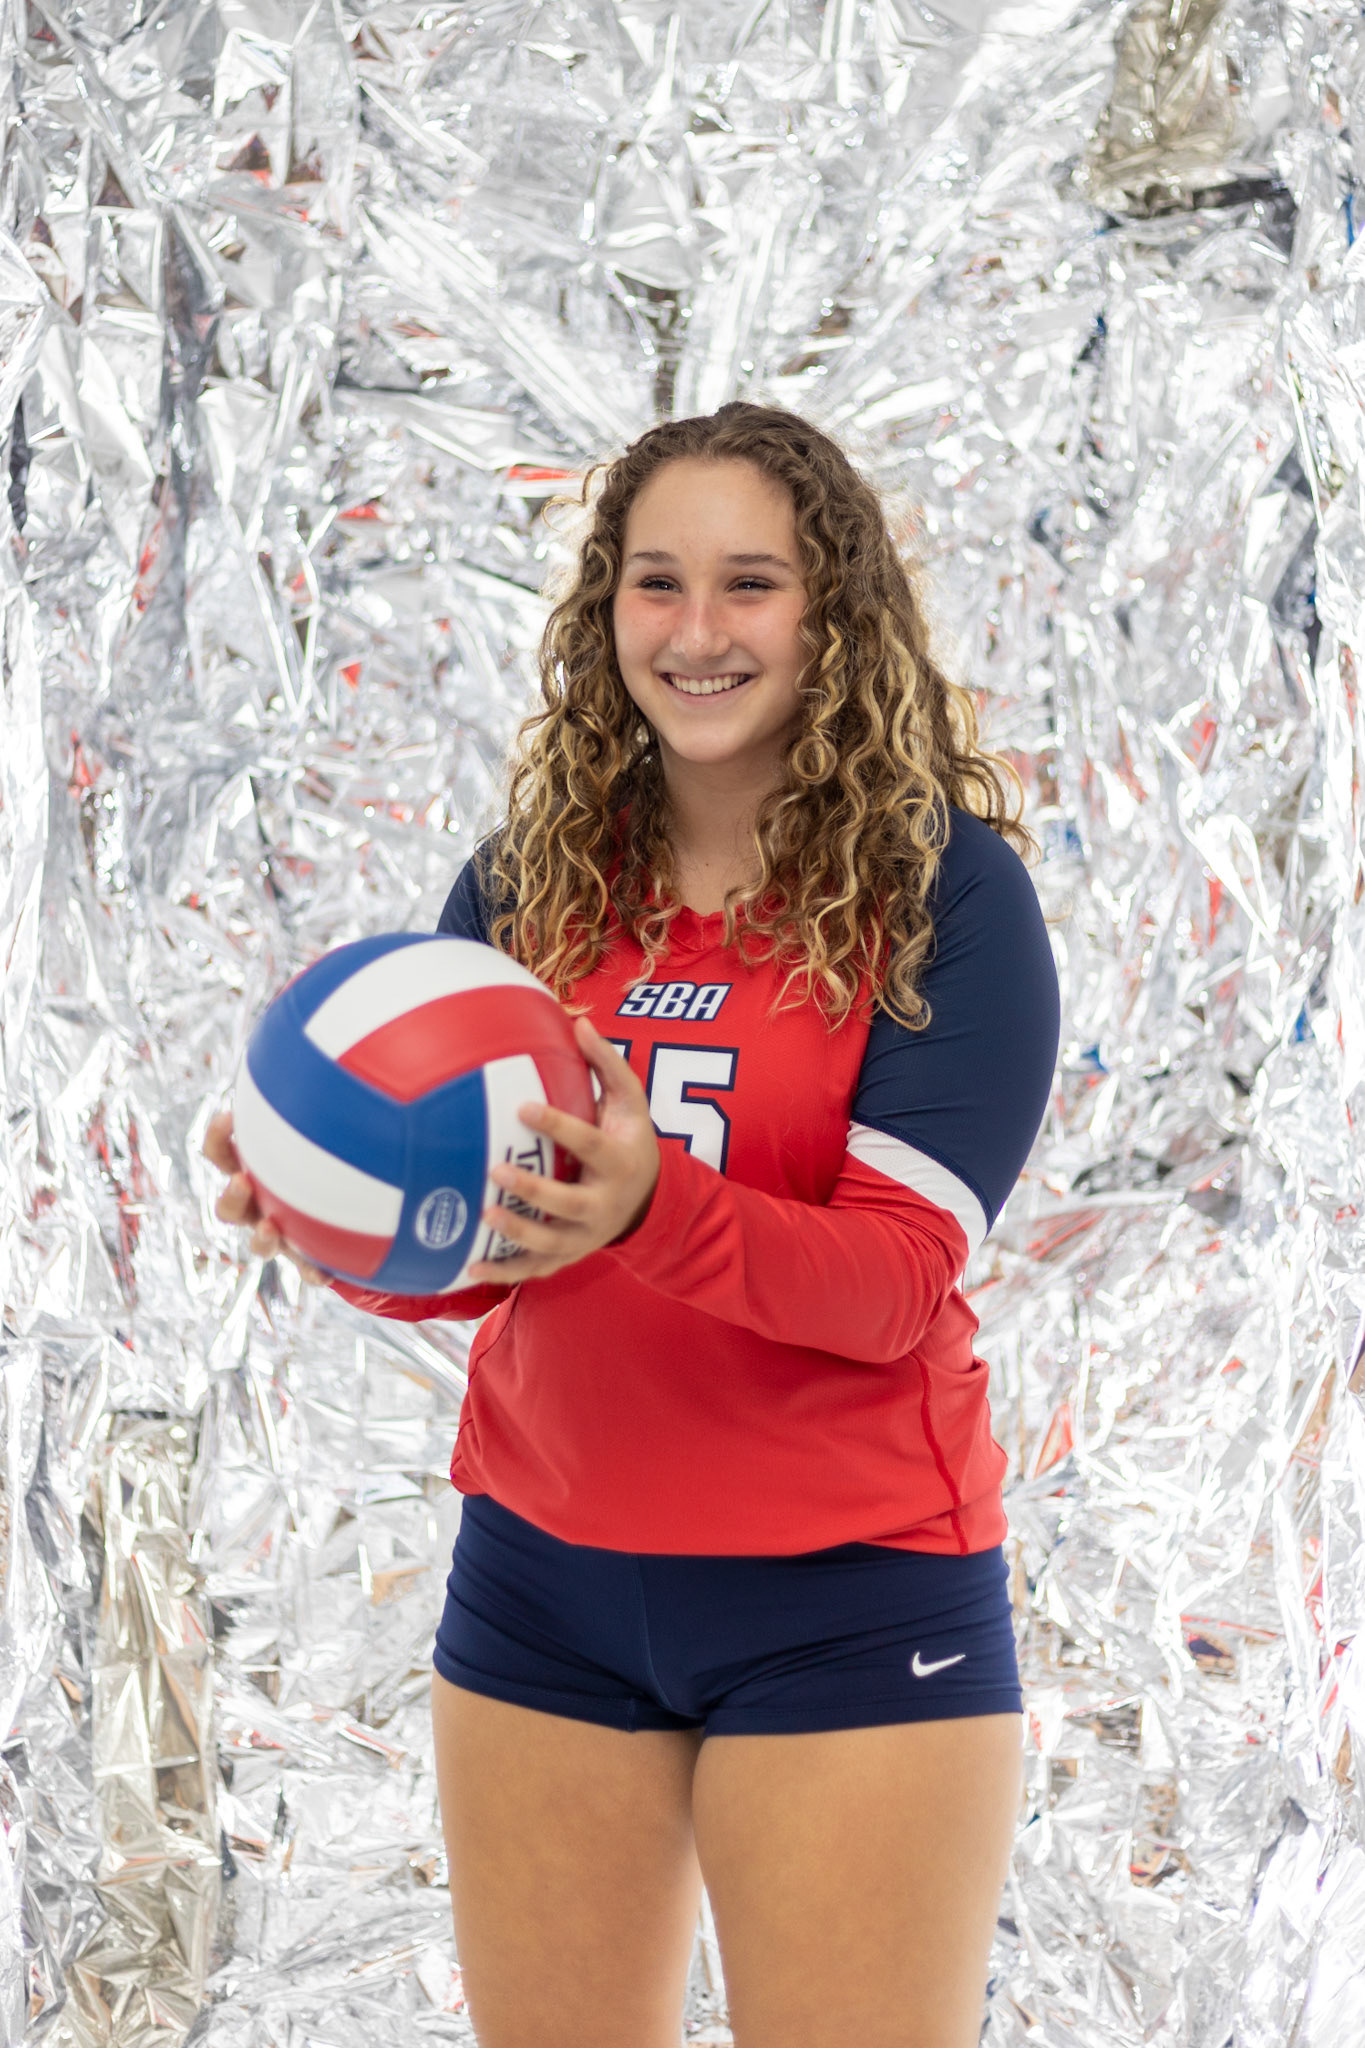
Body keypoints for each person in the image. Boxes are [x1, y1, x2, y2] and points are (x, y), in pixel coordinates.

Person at [205, 402, 1060, 2048]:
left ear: (832, 615)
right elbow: (487, 1257)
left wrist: (650, 1201)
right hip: (540, 1594)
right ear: (607, 614)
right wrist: (330, 1211)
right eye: (655, 584)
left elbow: (891, 1288)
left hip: (846, 1600)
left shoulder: (942, 894)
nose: (696, 631)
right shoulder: (532, 881)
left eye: (749, 585)